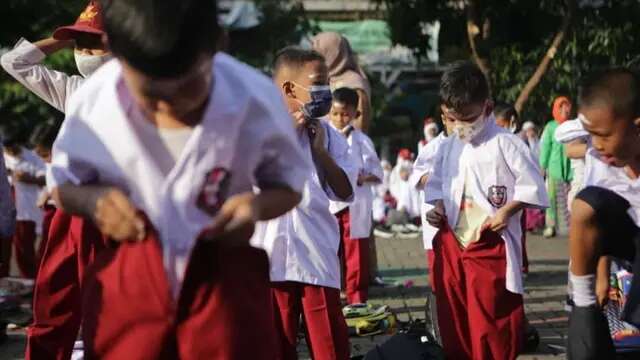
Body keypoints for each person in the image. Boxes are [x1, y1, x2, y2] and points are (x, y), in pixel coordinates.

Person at [48, 0, 310, 357]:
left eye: (187, 87)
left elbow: (289, 185)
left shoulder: (255, 100)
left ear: (218, 44)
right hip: (131, 281)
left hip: (222, 279)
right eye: (151, 95)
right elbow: (63, 185)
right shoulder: (95, 102)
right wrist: (93, 201)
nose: (168, 105)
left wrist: (256, 205)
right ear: (117, 55)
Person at [1, 2, 113, 358]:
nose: (84, 53)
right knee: (55, 295)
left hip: (113, 210)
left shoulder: (140, 94)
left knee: (109, 300)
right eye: (79, 45)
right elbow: (13, 62)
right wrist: (62, 40)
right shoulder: (73, 90)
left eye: (93, 44)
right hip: (69, 211)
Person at [425, 61, 548, 360]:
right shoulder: (447, 146)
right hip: (453, 239)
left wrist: (507, 211)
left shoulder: (506, 144)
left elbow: (533, 186)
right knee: (454, 312)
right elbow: (437, 184)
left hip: (490, 241)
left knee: (491, 315)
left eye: (468, 118)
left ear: (488, 107)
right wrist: (437, 208)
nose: (460, 127)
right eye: (453, 120)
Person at [251, 46, 354, 360]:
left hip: (315, 255)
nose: (326, 91)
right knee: (275, 345)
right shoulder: (256, 127)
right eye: (318, 83)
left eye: (327, 82)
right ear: (288, 88)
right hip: (270, 258)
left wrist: (320, 151)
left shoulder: (327, 135)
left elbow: (345, 191)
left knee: (329, 346)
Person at [565, 68, 640, 359]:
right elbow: (596, 223)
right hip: (628, 237)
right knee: (585, 203)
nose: (595, 145)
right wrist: (600, 278)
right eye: (590, 135)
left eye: (603, 135)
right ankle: (582, 306)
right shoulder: (602, 159)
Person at [328, 87, 383, 305]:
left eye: (345, 113)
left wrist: (363, 177)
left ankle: (357, 298)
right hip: (330, 203)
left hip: (355, 204)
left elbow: (377, 173)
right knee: (330, 249)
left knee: (356, 253)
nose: (340, 118)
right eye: (335, 113)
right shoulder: (324, 136)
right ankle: (333, 293)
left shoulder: (362, 141)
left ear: (354, 113)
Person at [411, 112, 454, 278]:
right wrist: (439, 178)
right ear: (443, 118)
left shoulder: (472, 145)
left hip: (464, 213)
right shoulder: (432, 147)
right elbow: (418, 177)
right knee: (439, 265)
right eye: (451, 119)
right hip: (436, 211)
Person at [2, 129, 46, 279]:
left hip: (25, 211)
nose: (10, 151)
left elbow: (46, 178)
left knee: (24, 250)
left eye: (12, 147)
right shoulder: (3, 157)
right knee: (3, 251)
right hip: (5, 211)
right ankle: (4, 282)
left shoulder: (32, 157)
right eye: (6, 148)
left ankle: (29, 281)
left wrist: (28, 179)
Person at [312, 32, 372, 132]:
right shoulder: (321, 80)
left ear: (333, 53)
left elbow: (360, 123)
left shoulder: (354, 83)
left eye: (320, 54)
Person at [540, 96, 573, 238]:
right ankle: (550, 225)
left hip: (571, 170)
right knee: (552, 198)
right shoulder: (550, 127)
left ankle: (570, 226)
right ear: (556, 109)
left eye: (567, 106)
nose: (565, 109)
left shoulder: (573, 125)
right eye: (562, 106)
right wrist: (542, 166)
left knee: (570, 198)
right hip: (555, 170)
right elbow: (545, 148)